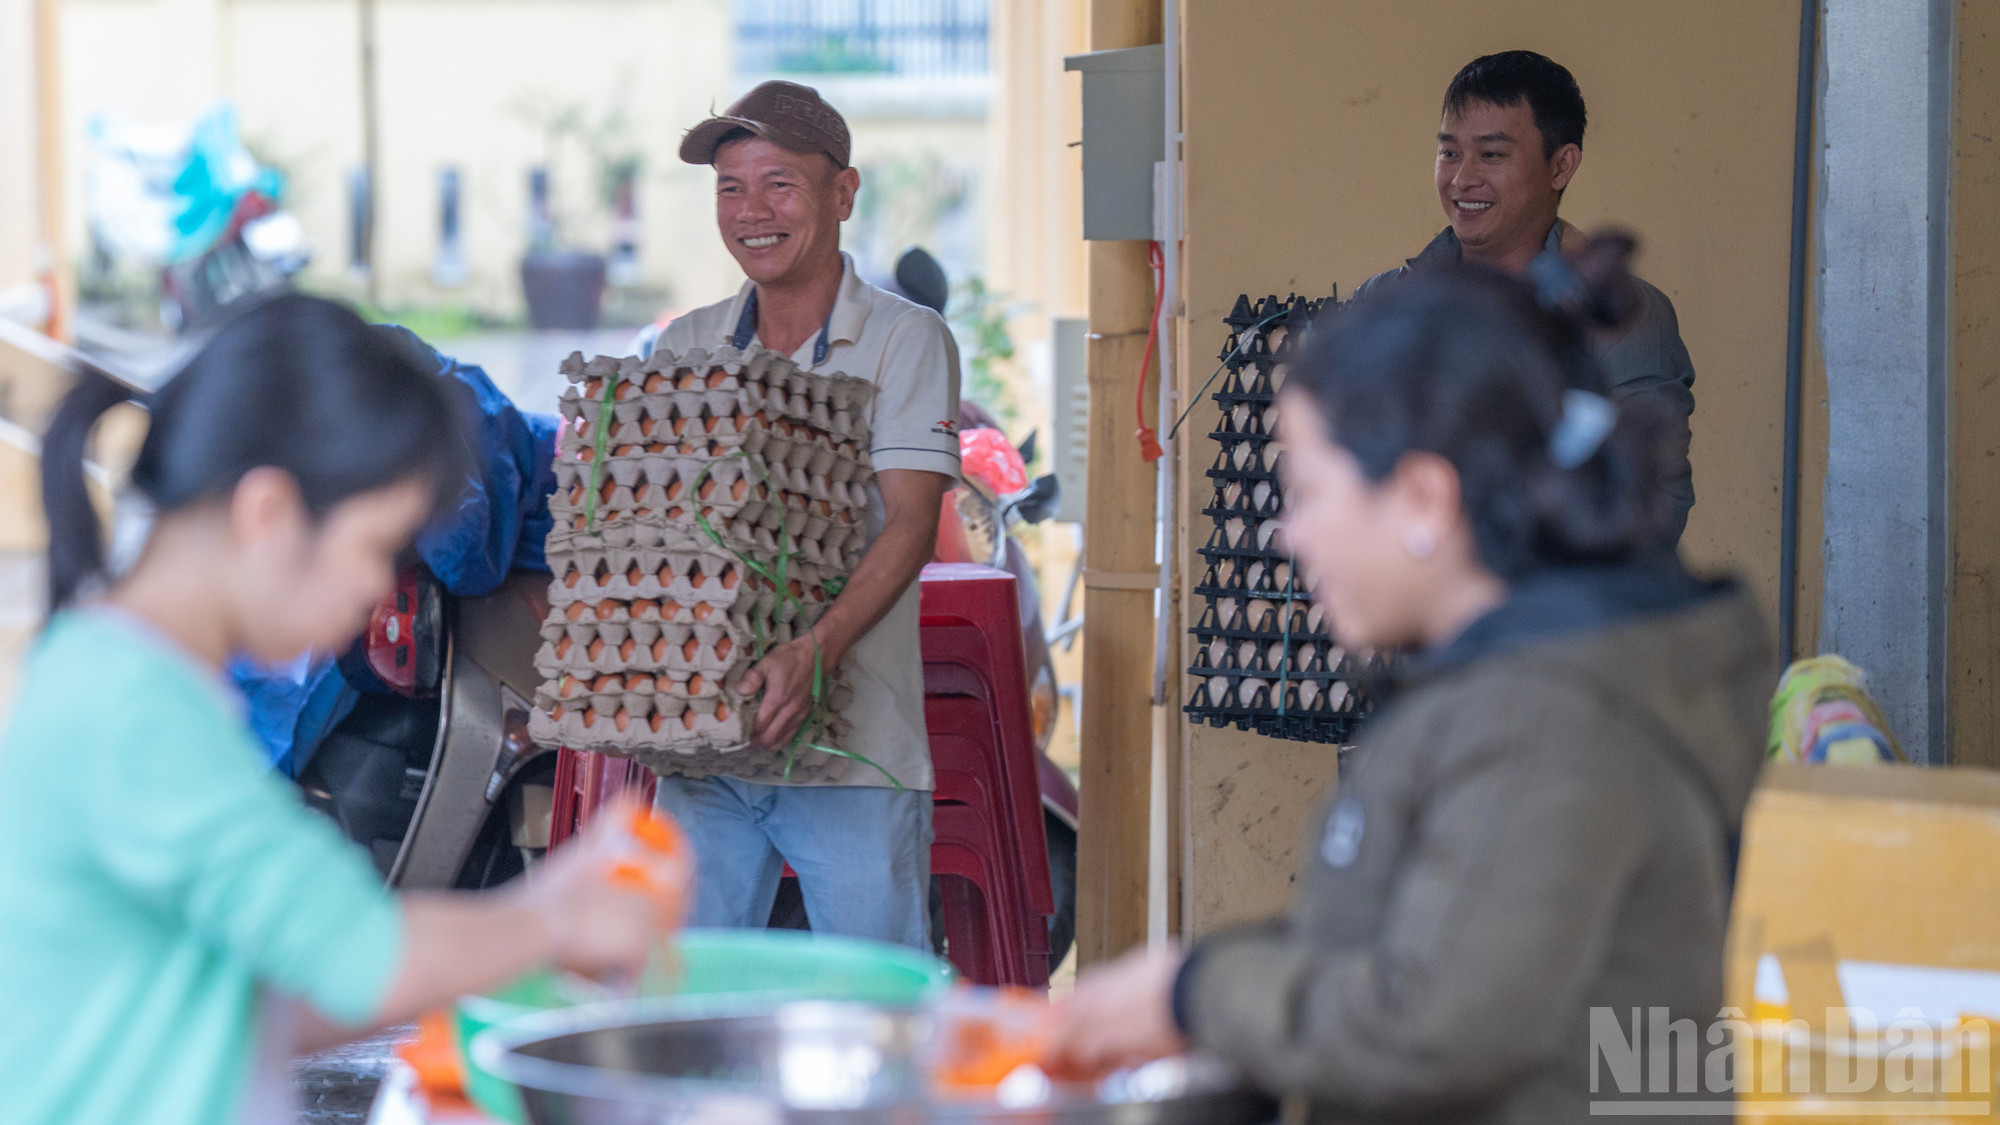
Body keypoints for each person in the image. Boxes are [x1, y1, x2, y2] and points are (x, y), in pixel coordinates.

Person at [1045, 238, 1769, 1122]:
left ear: (1425, 498)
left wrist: (1191, 994)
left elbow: (1428, 1027)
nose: (1289, 535)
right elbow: (1401, 940)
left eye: (1310, 492)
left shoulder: (1547, 719)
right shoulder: (1499, 683)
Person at [0, 294, 688, 1125]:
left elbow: (260, 993)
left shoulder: (131, 678)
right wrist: (559, 913)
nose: (375, 584)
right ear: (269, 514)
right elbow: (359, 960)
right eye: (375, 546)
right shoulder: (133, 713)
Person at [635, 81, 961, 949]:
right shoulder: (686, 345)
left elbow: (912, 522)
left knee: (873, 1002)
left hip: (854, 749)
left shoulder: (904, 338)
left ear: (843, 193)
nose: (752, 211)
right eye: (730, 188)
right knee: (685, 996)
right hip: (707, 745)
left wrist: (816, 651)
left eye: (779, 184)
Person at [1352, 50, 1698, 545]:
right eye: (1449, 153)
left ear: (1561, 166)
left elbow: (1650, 506)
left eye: (1492, 155)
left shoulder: (1617, 315)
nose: (1462, 178)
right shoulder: (1386, 300)